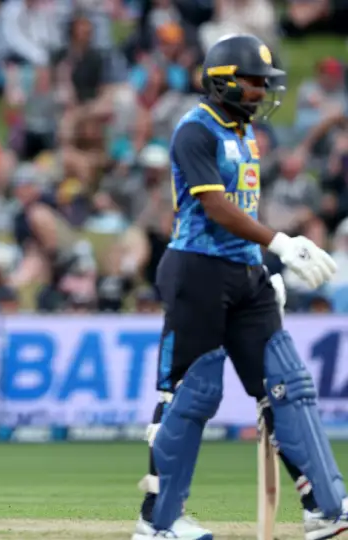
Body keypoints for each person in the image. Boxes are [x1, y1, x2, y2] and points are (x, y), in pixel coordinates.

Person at [132, 34, 348, 540]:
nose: (260, 93)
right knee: (193, 393)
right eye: (253, 83)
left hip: (243, 274)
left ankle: (326, 508)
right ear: (224, 81)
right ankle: (158, 520)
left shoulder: (244, 132)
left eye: (263, 85)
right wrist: (279, 243)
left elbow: (243, 212)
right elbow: (215, 207)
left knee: (288, 385)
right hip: (197, 272)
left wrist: (262, 267)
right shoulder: (195, 129)